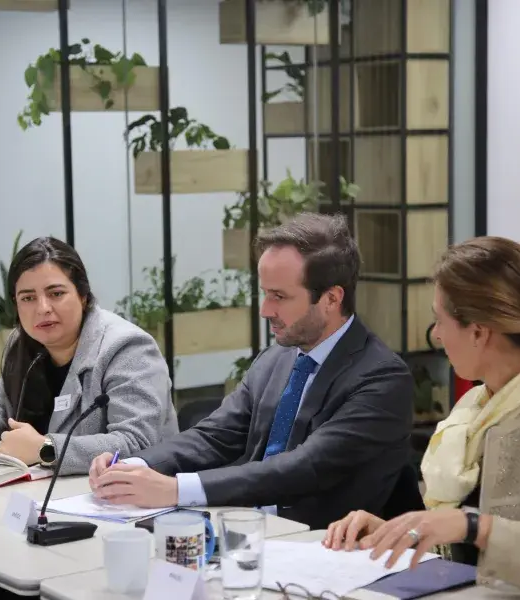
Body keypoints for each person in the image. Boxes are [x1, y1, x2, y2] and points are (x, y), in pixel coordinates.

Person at [322, 236, 520, 597]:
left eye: (439, 321)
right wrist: (397, 534)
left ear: (478, 332)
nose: (437, 335)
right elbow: (466, 551)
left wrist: (478, 527)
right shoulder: (473, 408)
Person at [88, 212, 416, 530]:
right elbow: (215, 436)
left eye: (279, 296)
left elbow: (304, 467)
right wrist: (133, 467)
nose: (265, 309)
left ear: (331, 298)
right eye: (265, 293)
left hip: (326, 552)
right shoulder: (276, 359)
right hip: (251, 536)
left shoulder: (381, 378)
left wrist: (174, 490)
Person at [0, 236, 178, 476]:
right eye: (28, 298)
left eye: (56, 293)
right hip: (40, 492)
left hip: (115, 499)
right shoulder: (21, 343)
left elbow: (138, 443)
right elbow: (12, 418)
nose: (43, 308)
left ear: (82, 296)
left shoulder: (127, 347)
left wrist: (47, 450)